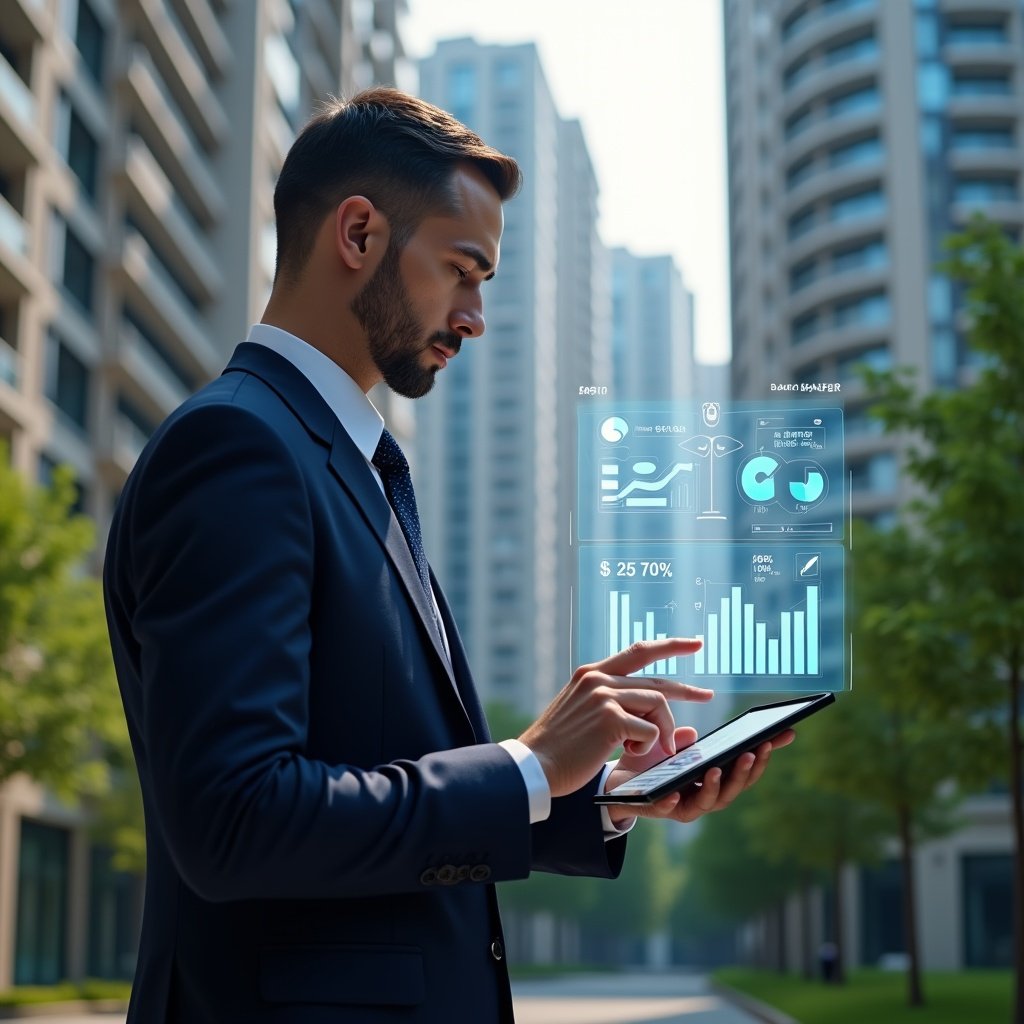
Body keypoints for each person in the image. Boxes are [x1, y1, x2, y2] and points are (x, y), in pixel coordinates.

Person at [103, 87, 791, 1024]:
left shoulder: (346, 462)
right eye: (462, 270)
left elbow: (377, 769)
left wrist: (598, 793)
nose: (475, 314)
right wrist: (525, 764)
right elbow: (237, 817)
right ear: (358, 234)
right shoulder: (239, 450)